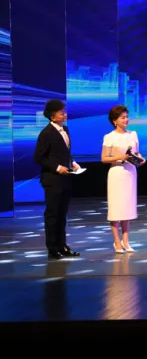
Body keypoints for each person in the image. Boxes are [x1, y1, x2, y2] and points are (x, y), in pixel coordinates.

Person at [33, 100, 81, 260]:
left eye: (64, 111)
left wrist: (72, 162)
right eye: (61, 112)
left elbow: (64, 152)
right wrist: (57, 167)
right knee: (52, 215)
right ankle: (52, 249)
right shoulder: (46, 133)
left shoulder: (65, 129)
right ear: (52, 117)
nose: (65, 114)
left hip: (65, 179)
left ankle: (63, 246)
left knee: (62, 214)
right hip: (52, 180)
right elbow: (39, 157)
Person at [101, 105, 144, 253]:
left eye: (127, 117)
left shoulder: (133, 134)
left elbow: (137, 153)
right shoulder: (109, 137)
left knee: (127, 207)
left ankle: (126, 241)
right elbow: (104, 158)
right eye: (122, 117)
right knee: (116, 208)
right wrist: (121, 157)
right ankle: (116, 241)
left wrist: (140, 159)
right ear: (115, 121)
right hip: (117, 173)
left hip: (130, 172)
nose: (126, 120)